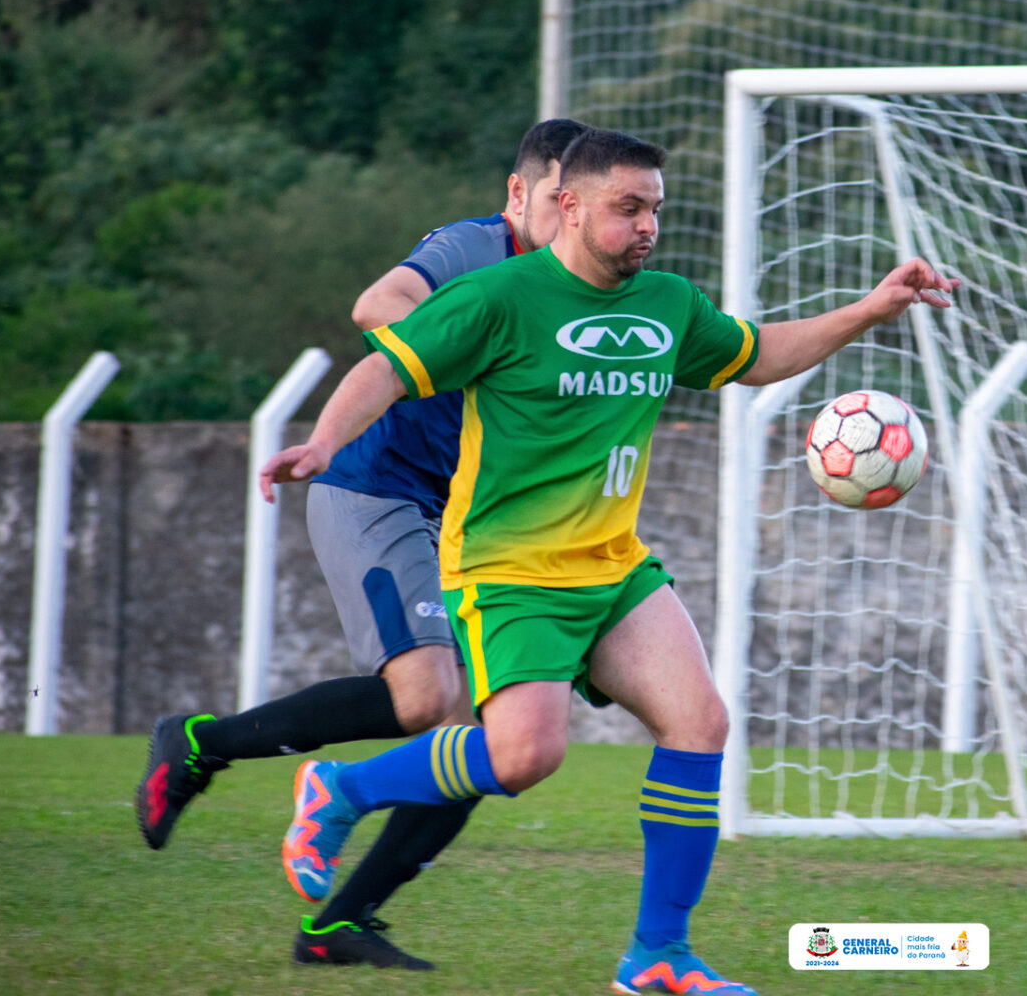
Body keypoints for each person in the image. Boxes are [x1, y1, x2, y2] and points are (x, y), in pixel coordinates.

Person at [257, 128, 958, 996]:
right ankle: (343, 786)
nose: (647, 226)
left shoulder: (666, 303)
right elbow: (387, 369)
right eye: (628, 208)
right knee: (522, 758)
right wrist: (322, 442)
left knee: (699, 724)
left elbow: (757, 356)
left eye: (655, 208)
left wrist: (868, 309)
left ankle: (659, 955)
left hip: (614, 567)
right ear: (569, 205)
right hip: (509, 569)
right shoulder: (500, 297)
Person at [136, 118, 589, 969]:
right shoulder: (472, 248)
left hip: (470, 526)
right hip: (375, 493)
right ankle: (199, 744)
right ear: (519, 196)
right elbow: (377, 306)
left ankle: (339, 925)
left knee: (487, 745)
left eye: (582, 207)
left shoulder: (577, 287)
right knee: (422, 699)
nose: (568, 222)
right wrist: (473, 346)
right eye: (554, 204)